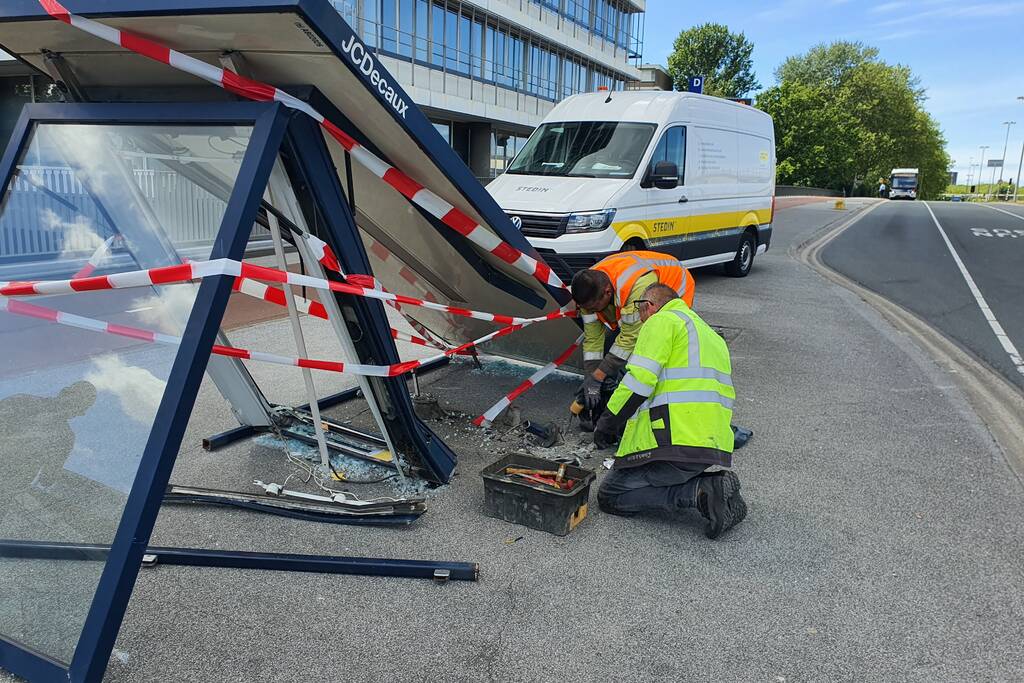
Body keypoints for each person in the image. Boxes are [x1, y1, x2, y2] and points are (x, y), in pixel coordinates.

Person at [593, 282, 746, 539]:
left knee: (611, 494)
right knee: (652, 477)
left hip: (674, 440)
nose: (640, 318)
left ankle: (700, 492)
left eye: (639, 309)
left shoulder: (662, 321)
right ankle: (714, 489)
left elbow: (638, 381)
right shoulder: (708, 334)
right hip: (712, 444)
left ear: (649, 306)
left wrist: (606, 424)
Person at [570, 251, 695, 425]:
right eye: (587, 309)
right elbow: (593, 340)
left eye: (594, 307)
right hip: (634, 297)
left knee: (650, 351)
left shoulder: (636, 286)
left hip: (674, 286)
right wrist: (591, 379)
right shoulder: (589, 289)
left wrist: (599, 377)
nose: (591, 312)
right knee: (612, 357)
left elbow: (630, 338)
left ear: (607, 292)